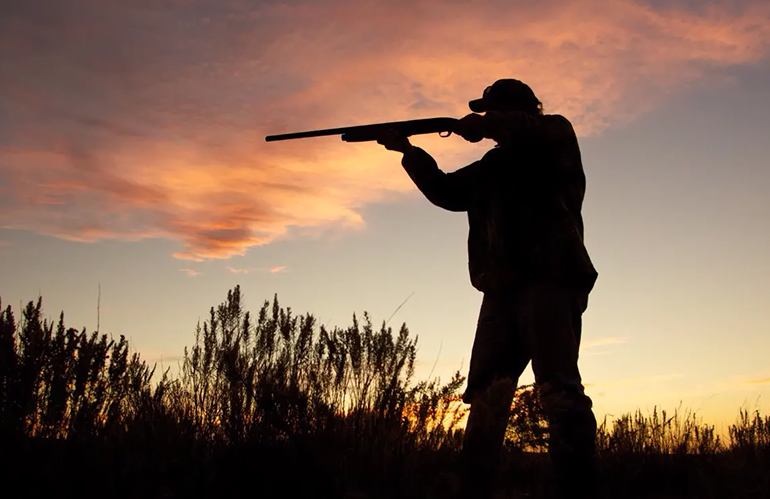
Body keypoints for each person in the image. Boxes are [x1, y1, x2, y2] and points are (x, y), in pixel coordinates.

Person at [377, 79, 599, 498]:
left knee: (558, 387)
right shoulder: (493, 167)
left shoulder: (555, 134)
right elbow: (445, 192)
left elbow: (523, 129)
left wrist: (483, 125)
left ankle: (577, 486)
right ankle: (473, 485)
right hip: (501, 288)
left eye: (490, 111)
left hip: (550, 276)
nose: (482, 119)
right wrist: (406, 151)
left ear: (509, 111)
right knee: (487, 392)